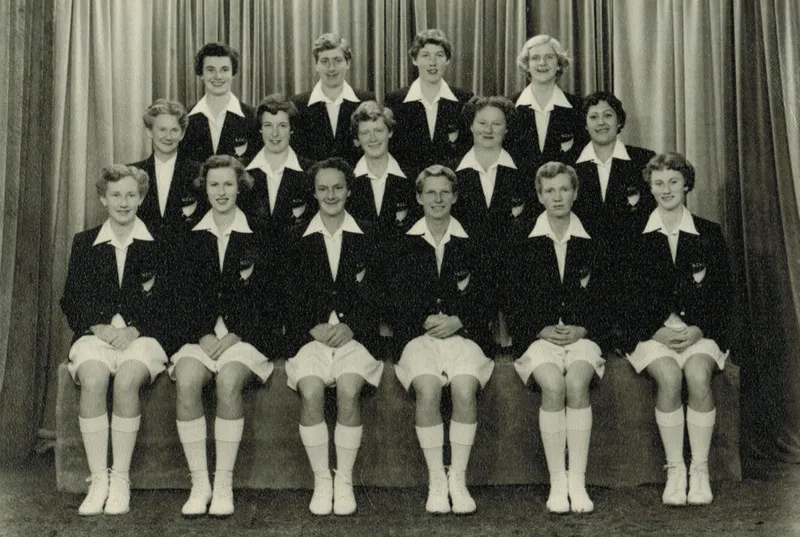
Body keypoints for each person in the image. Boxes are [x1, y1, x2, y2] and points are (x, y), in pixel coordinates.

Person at [169, 155, 281, 517]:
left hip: (245, 339)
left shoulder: (261, 234)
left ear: (239, 187)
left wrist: (236, 335)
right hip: (199, 338)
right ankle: (200, 483)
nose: (221, 192)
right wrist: (200, 334)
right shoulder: (188, 235)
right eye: (214, 184)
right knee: (187, 380)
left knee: (229, 381)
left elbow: (270, 299)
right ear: (204, 188)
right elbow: (178, 297)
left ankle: (222, 484)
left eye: (228, 184)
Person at [60, 164, 170, 516]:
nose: (124, 202)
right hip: (96, 336)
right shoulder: (85, 242)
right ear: (103, 199)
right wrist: (99, 327)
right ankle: (99, 480)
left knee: (125, 381)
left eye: (131, 195)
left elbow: (170, 302)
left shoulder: (159, 242)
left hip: (144, 337)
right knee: (93, 379)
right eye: (116, 195)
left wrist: (134, 329)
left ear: (141, 199)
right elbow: (72, 299)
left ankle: (120, 478)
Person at [626, 152, 731, 506]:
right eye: (658, 183)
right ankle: (675, 469)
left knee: (698, 376)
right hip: (652, 334)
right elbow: (623, 298)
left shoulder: (709, 232)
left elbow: (723, 295)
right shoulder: (634, 235)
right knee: (670, 377)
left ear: (687, 185)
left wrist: (700, 329)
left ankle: (699, 469)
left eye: (673, 182)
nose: (666, 189)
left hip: (699, 332)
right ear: (650, 188)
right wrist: (655, 331)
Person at [390, 165, 494, 515]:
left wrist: (459, 319)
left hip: (465, 336)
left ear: (455, 197)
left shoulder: (474, 239)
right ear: (418, 198)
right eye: (430, 193)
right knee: (429, 388)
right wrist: (423, 318)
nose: (437, 199)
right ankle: (436, 479)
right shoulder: (402, 243)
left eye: (444, 192)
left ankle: (457, 479)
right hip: (418, 338)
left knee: (464, 389)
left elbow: (489, 294)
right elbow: (392, 297)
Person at [284, 157, 384, 516]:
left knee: (348, 389)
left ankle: (344, 480)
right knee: (311, 390)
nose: (331, 195)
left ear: (349, 191)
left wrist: (352, 324)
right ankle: (322, 480)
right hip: (311, 340)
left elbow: (381, 292)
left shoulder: (370, 234)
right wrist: (311, 326)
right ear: (313, 193)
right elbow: (284, 295)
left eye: (338, 188)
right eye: (323, 189)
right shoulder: (295, 236)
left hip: (354, 340)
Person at [504, 162, 604, 514]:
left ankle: (577, 481)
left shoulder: (592, 237)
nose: (557, 197)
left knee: (576, 384)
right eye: (549, 191)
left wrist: (583, 328)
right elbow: (511, 297)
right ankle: (558, 482)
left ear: (575, 193)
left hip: (582, 338)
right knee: (554, 386)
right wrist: (539, 328)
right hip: (539, 339)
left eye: (564, 189)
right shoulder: (520, 237)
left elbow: (607, 296)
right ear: (539, 196)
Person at [571, 91, 656, 351]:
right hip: (584, 264)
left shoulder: (643, 160)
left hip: (631, 264)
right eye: (593, 116)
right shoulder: (569, 164)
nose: (601, 122)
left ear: (619, 121)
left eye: (608, 115)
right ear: (585, 124)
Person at [452, 95, 527, 347]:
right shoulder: (451, 172)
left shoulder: (523, 172)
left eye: (497, 124)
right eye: (482, 123)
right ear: (470, 126)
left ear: (507, 129)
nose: (488, 130)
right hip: (465, 276)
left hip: (511, 275)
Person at [385, 29, 473, 179]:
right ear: (414, 60)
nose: (433, 63)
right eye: (425, 55)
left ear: (448, 60)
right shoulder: (396, 100)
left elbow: (468, 150)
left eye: (439, 55)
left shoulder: (464, 99)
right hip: (408, 185)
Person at [507, 35, 585, 177]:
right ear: (526, 65)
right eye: (535, 58)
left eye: (549, 57)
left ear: (559, 64)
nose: (542, 63)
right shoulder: (509, 107)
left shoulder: (578, 107)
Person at [290, 33, 373, 164]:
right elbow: (295, 155)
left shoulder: (365, 100)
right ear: (316, 65)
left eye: (337, 60)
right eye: (324, 61)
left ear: (348, 63)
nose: (331, 68)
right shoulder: (298, 104)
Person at [241, 93, 316, 236]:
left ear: (291, 129)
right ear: (260, 128)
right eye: (268, 125)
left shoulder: (311, 170)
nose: (274, 133)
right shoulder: (242, 169)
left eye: (282, 125)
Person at [130, 99, 204, 239]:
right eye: (162, 129)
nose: (168, 137)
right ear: (149, 131)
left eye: (174, 130)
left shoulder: (199, 171)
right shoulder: (132, 173)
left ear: (182, 134)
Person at [180, 43, 261, 164]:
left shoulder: (253, 116)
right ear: (201, 74)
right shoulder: (185, 118)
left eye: (224, 69)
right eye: (210, 70)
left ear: (233, 73)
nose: (218, 76)